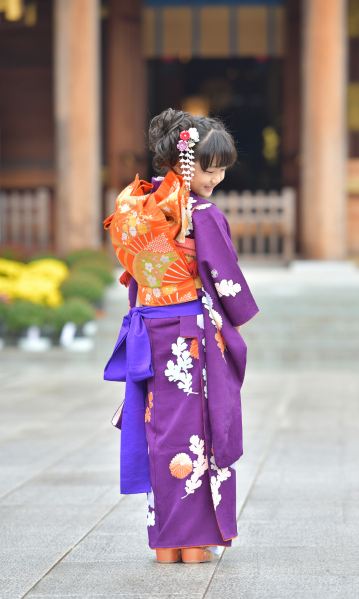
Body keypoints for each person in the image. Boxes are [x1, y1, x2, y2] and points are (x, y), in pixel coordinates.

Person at [104, 108, 258, 564]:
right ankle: (193, 544)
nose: (217, 177)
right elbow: (225, 279)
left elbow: (136, 275)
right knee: (198, 430)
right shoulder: (201, 214)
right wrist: (237, 315)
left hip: (150, 330)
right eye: (210, 169)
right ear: (186, 163)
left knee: (162, 429)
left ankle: (166, 543)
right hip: (190, 335)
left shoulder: (139, 205)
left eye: (222, 168)